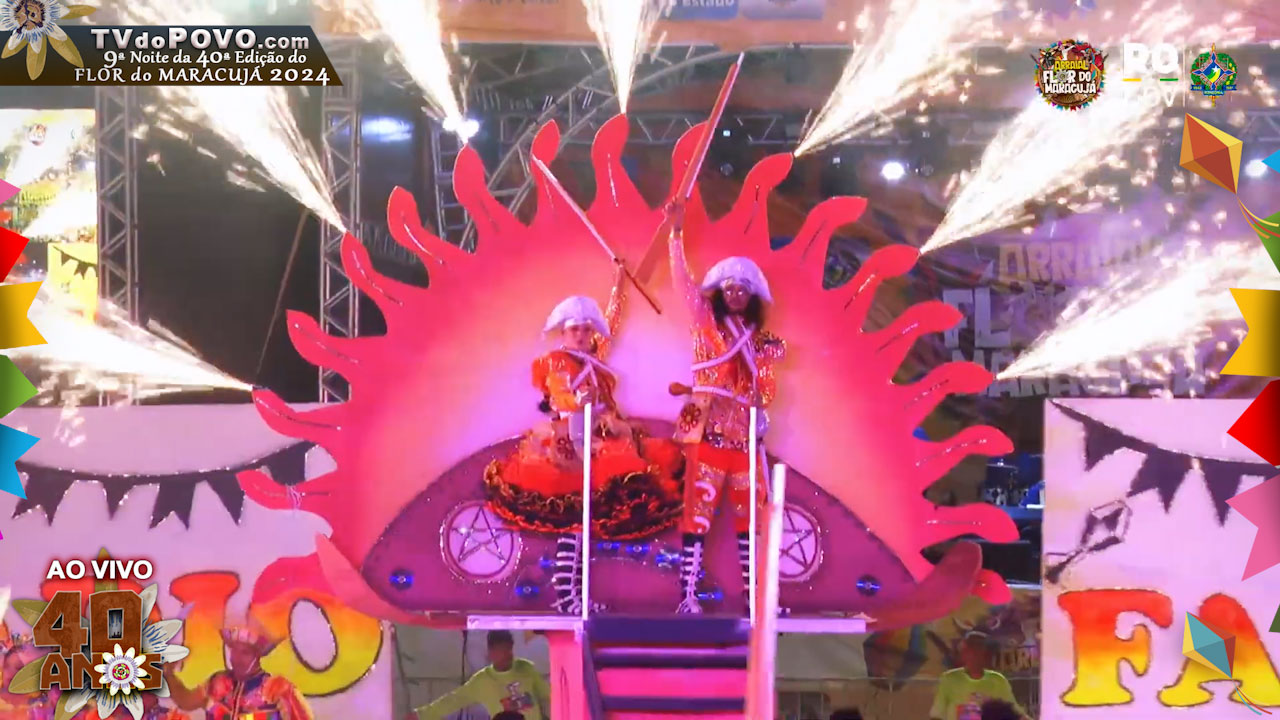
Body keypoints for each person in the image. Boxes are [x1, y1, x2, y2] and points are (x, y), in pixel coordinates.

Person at [484, 260, 684, 614]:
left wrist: (619, 286)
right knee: (573, 523)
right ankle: (567, 597)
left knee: (583, 527)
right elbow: (560, 396)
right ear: (564, 331)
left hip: (599, 439)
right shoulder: (555, 361)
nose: (580, 335)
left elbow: (612, 322)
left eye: (585, 330)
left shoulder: (594, 359)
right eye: (574, 329)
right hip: (569, 443)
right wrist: (579, 401)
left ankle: (573, 596)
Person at [665, 203, 786, 613]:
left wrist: (761, 399)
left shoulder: (761, 341)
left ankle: (755, 599)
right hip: (709, 436)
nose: (735, 295)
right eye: (730, 289)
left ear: (751, 298)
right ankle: (686, 597)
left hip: (745, 441)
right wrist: (676, 234)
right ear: (720, 293)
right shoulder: (706, 325)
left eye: (742, 291)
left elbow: (766, 388)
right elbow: (683, 284)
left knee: (750, 520)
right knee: (696, 517)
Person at [164, 625, 312, 720]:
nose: (236, 658)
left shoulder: (277, 689)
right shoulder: (217, 682)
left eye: (244, 653)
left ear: (257, 655)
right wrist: (169, 674)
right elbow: (186, 702)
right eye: (234, 650)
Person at [409, 631, 550, 720]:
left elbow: (549, 695)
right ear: (491, 653)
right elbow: (452, 700)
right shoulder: (482, 681)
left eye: (509, 650)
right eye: (501, 651)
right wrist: (420, 715)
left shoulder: (526, 668)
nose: (507, 656)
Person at [930, 632, 1029, 720]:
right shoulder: (949, 679)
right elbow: (937, 715)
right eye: (971, 649)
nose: (976, 654)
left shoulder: (998, 680)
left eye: (980, 649)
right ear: (964, 653)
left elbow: (1016, 714)